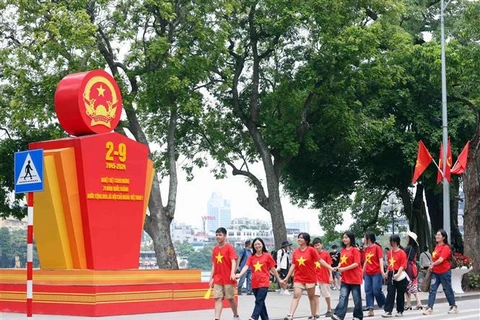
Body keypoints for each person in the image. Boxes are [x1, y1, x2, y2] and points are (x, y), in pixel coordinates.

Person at [281, 232, 333, 320]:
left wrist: (330, 268)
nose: (299, 239)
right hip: (298, 278)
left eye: (301, 238)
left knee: (311, 297)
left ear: (306, 240)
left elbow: (320, 260)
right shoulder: (296, 252)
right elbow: (293, 265)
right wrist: (287, 277)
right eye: (298, 237)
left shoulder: (311, 250)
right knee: (296, 295)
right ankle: (290, 315)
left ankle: (313, 315)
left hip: (310, 278)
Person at [237, 237, 282, 320]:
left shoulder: (267, 256)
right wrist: (239, 275)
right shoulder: (251, 256)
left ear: (262, 245)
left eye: (259, 244)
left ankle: (254, 317)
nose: (257, 246)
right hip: (254, 283)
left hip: (264, 282)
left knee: (259, 301)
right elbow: (246, 266)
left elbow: (273, 269)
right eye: (255, 245)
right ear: (253, 247)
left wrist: (279, 279)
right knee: (261, 302)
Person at [423, 229, 458, 316]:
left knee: (447, 289)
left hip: (444, 272)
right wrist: (431, 265)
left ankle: (453, 306)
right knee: (432, 290)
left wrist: (433, 264)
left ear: (443, 237)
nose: (437, 236)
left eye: (439, 235)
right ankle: (429, 308)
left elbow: (441, 260)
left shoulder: (446, 248)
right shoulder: (436, 247)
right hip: (435, 272)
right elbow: (434, 258)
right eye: (436, 235)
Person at [209, 227, 241, 320]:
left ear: (225, 236)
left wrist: (232, 273)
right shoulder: (215, 249)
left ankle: (236, 315)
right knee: (217, 298)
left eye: (220, 235)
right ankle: (217, 318)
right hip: (218, 278)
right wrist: (211, 278)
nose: (218, 237)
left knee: (230, 298)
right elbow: (214, 265)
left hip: (228, 278)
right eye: (217, 235)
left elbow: (233, 261)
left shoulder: (229, 248)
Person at [331, 231, 363, 320]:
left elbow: (356, 263)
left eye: (346, 237)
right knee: (343, 296)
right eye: (343, 237)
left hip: (355, 278)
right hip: (345, 278)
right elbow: (342, 262)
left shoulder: (355, 250)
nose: (344, 239)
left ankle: (358, 316)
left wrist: (344, 269)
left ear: (350, 239)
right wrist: (338, 267)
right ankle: (339, 315)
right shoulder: (343, 250)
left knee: (356, 299)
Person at [382, 234, 408, 318]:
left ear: (396, 242)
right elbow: (390, 264)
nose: (391, 243)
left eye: (392, 241)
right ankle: (388, 310)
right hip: (391, 273)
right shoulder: (390, 253)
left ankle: (400, 310)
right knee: (390, 292)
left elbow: (403, 265)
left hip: (399, 273)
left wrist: (398, 274)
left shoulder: (402, 253)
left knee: (400, 293)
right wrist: (386, 273)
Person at [362, 232, 386, 317]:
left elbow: (380, 260)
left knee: (376, 290)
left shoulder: (377, 248)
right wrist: (362, 272)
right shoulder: (366, 249)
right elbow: (366, 261)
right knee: (368, 290)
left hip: (376, 272)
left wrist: (382, 271)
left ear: (369, 239)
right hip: (368, 273)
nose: (364, 240)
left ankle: (384, 304)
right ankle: (370, 309)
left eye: (365, 238)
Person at [313, 237, 334, 318]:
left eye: (318, 245)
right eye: (315, 245)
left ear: (321, 244)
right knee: (316, 294)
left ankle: (329, 309)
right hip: (315, 278)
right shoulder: (313, 254)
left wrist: (331, 277)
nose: (317, 247)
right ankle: (317, 312)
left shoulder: (326, 254)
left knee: (326, 295)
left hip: (325, 277)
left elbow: (329, 265)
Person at [403, 231, 424, 311]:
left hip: (408, 268)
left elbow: (404, 258)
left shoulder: (407, 248)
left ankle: (417, 303)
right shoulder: (415, 248)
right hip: (413, 267)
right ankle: (410, 304)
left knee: (408, 285)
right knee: (412, 285)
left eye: (408, 237)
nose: (407, 238)